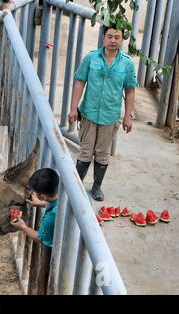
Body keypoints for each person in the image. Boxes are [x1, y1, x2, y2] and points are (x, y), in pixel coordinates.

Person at [67, 25, 138, 201]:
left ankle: (97, 186)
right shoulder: (91, 58)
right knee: (85, 150)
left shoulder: (127, 63)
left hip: (110, 116)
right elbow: (79, 82)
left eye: (117, 37)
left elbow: (130, 90)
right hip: (89, 113)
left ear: (122, 40)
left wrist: (127, 117)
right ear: (103, 38)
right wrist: (73, 107)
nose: (113, 40)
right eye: (110, 36)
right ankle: (77, 185)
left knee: (102, 152)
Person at [11, 168, 59, 248]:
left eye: (35, 192)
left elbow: (40, 238)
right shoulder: (69, 190)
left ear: (42, 196)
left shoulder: (51, 216)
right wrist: (41, 203)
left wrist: (23, 227)